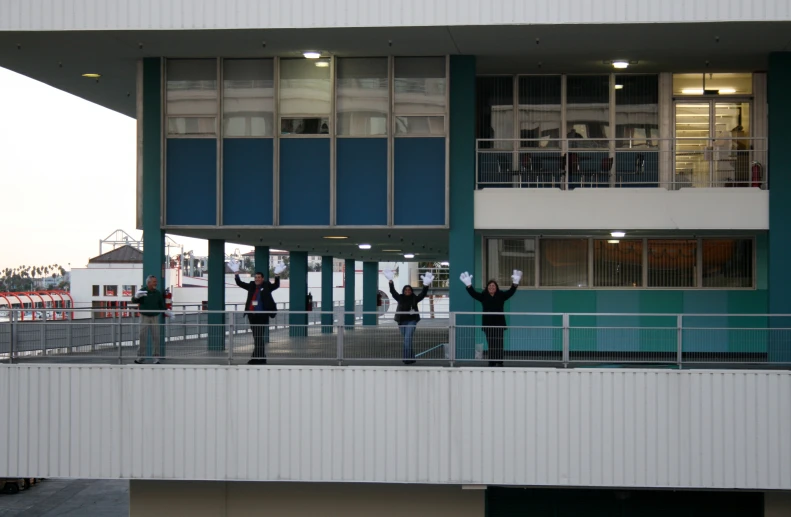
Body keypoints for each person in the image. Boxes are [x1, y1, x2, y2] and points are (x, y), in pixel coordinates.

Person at [460, 269, 522, 367]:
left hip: (499, 323)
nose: (491, 287)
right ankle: (492, 361)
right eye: (490, 286)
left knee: (499, 343)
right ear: (487, 288)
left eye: (493, 286)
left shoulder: (501, 295)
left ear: (496, 287)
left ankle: (499, 361)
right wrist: (469, 285)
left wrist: (515, 283)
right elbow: (474, 294)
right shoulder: (484, 296)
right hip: (488, 324)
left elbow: (510, 292)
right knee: (491, 343)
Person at [230, 259, 287, 365]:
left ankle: (257, 358)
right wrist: (236, 273)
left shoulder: (266, 286)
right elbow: (239, 283)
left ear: (263, 278)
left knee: (258, 337)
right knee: (257, 337)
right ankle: (259, 358)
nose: (257, 279)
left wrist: (277, 275)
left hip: (262, 316)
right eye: (255, 277)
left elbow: (276, 285)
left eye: (259, 277)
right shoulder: (251, 285)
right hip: (252, 316)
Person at [384, 269, 433, 364]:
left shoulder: (415, 298)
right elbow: (393, 292)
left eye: (409, 289)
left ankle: (406, 359)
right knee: (407, 340)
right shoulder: (400, 297)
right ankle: (412, 357)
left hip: (411, 321)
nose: (407, 291)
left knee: (407, 340)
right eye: (406, 290)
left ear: (411, 291)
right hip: (401, 322)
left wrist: (426, 285)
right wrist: (390, 281)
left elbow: (422, 294)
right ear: (403, 291)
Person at [131, 275, 172, 364]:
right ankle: (140, 357)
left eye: (156, 282)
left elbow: (161, 305)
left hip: (154, 317)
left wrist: (167, 311)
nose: (156, 283)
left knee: (156, 337)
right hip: (144, 317)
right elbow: (133, 301)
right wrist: (136, 296)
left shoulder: (157, 293)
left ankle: (156, 357)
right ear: (149, 283)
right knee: (142, 336)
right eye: (154, 282)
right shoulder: (142, 291)